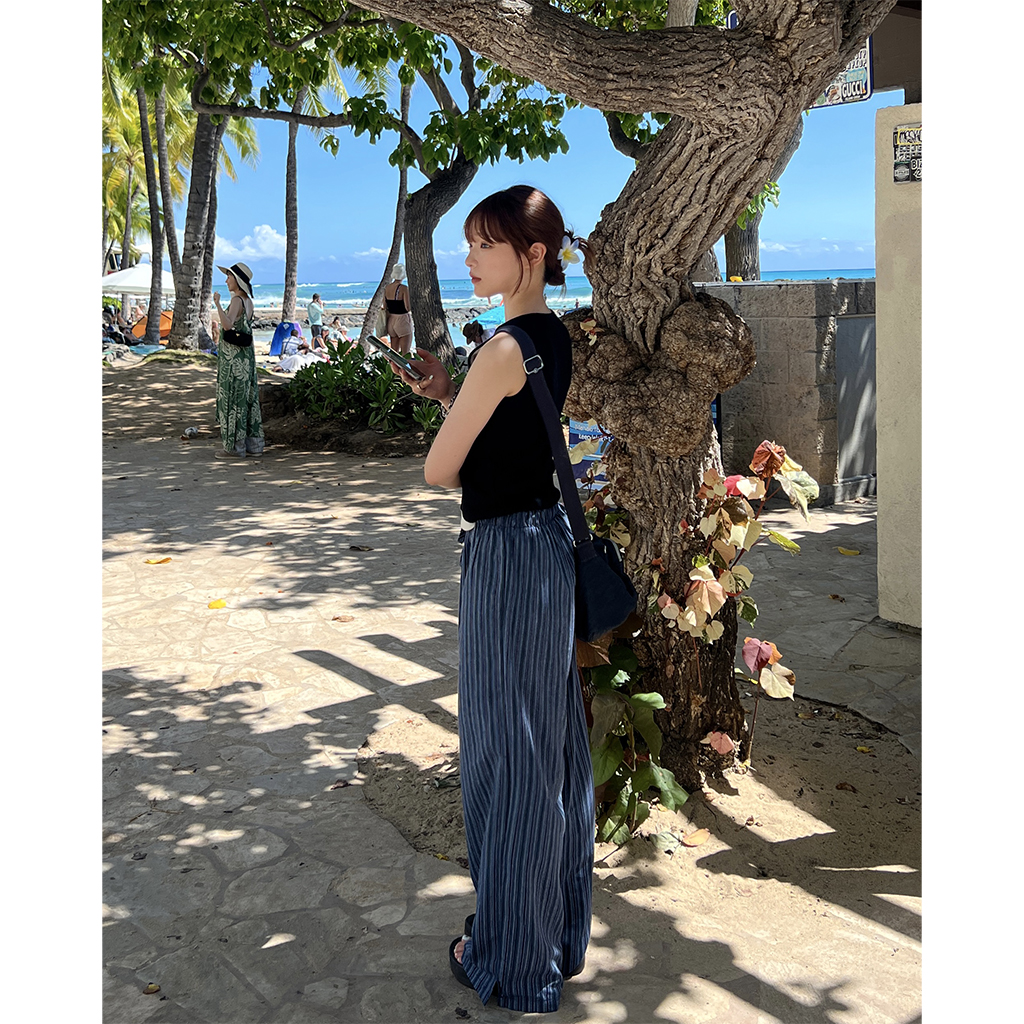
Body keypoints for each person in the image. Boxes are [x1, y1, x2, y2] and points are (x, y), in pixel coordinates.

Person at [390, 186, 593, 1014]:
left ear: (531, 254)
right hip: (547, 546)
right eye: (470, 244)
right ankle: (554, 936)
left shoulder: (502, 348)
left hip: (506, 557)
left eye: (484, 245)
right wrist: (453, 397)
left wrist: (454, 405)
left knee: (504, 757)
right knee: (548, 750)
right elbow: (511, 446)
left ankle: (510, 960)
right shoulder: (552, 338)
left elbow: (441, 470)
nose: (469, 258)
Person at [212, 262, 265, 459]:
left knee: (233, 399)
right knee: (247, 398)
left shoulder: (236, 300)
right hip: (246, 358)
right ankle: (253, 445)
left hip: (234, 360)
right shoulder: (248, 301)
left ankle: (235, 447)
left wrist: (217, 304)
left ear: (237, 280)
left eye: (229, 276)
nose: (226, 280)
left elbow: (227, 325)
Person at [382, 264, 413, 355]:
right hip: (402, 319)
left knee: (394, 353)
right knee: (405, 353)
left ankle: (392, 365)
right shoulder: (403, 288)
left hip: (391, 320)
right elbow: (407, 307)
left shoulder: (387, 288)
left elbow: (385, 306)